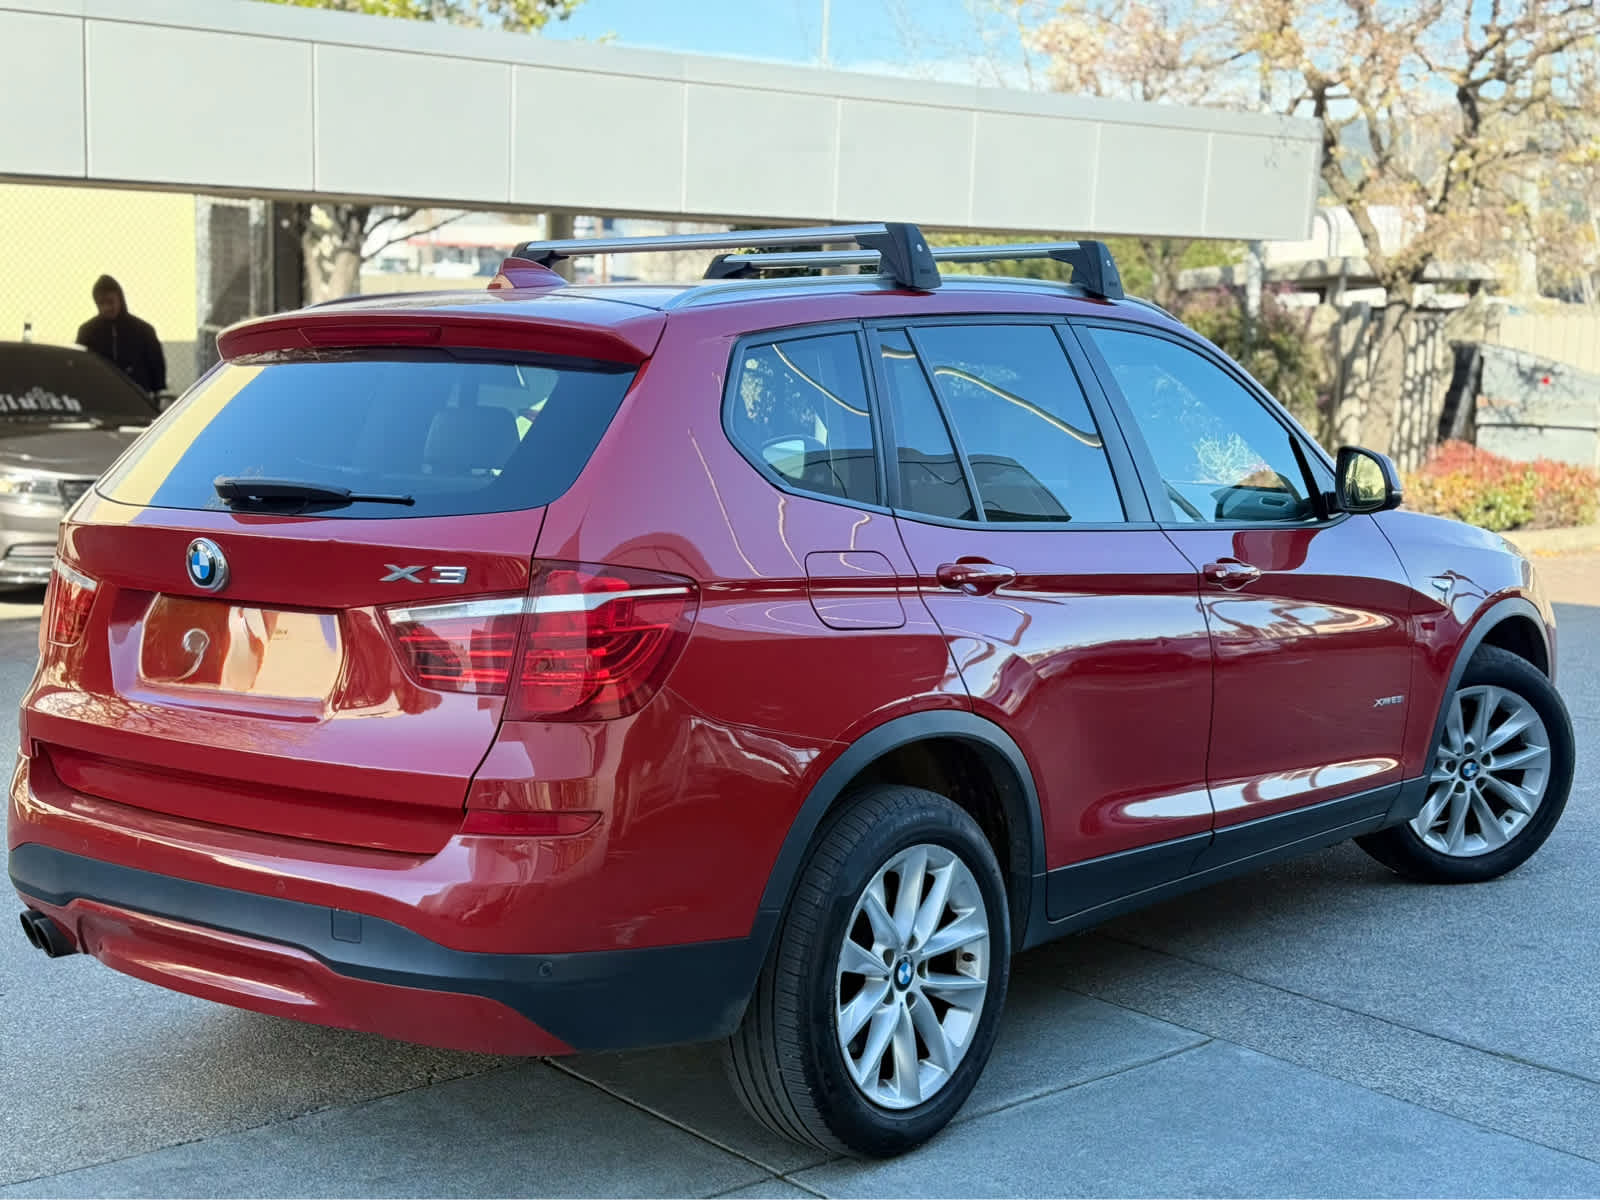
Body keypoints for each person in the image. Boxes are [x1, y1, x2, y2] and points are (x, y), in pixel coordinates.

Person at [76, 275, 166, 397]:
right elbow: (80, 369)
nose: (107, 308)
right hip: (100, 397)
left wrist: (158, 394)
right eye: (101, 303)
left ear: (120, 299)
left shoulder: (143, 331)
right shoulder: (87, 332)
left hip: (137, 397)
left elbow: (157, 369)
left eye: (110, 302)